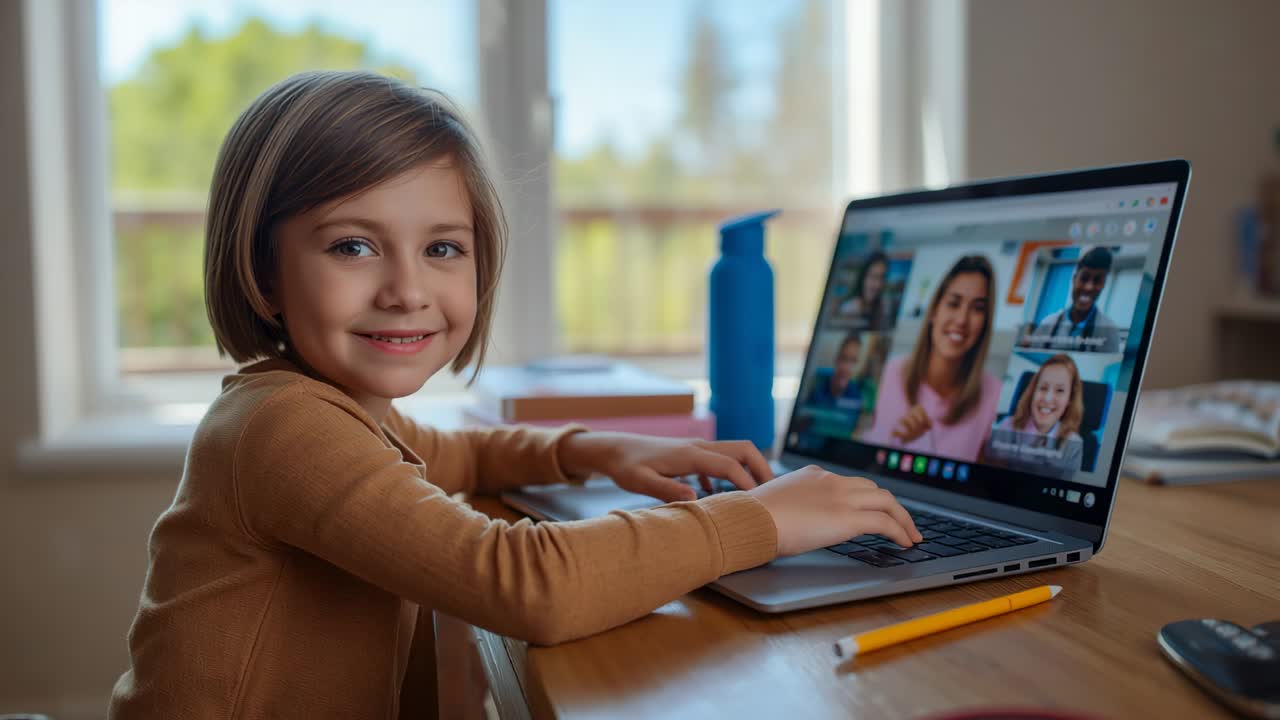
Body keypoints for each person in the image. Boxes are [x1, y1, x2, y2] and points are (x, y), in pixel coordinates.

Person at [107, 71, 922, 718]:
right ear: (262, 272)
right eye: (354, 245)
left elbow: (457, 453)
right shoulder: (282, 427)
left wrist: (596, 450)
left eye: (442, 248)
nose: (407, 289)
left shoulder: (336, 411)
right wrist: (763, 519)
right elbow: (521, 584)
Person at [861, 255, 1002, 462]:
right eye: (954, 303)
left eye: (977, 308)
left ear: (985, 323)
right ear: (935, 311)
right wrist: (895, 440)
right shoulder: (890, 372)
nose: (962, 320)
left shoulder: (995, 394)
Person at [984, 354, 1086, 479]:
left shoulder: (1073, 445)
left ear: (1070, 399)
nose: (1048, 398)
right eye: (1043, 388)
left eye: (1060, 390)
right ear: (1033, 391)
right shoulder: (1008, 426)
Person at [1026, 246, 1122, 352]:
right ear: (1074, 279)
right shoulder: (1047, 324)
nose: (1088, 287)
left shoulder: (1110, 333)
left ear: (1103, 284)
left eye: (1097, 280)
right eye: (1084, 278)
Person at [836, 251, 892, 329]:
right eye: (873, 277)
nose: (878, 285)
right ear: (863, 277)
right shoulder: (849, 308)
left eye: (882, 278)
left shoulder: (885, 306)